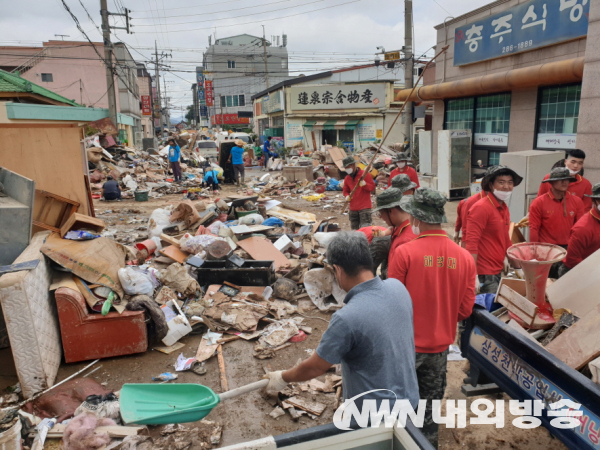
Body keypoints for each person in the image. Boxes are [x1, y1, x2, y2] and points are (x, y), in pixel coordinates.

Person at [263, 232, 419, 415]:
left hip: (374, 415)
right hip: (410, 400)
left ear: (337, 270)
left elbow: (314, 367)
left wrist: (282, 377)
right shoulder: (397, 287)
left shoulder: (347, 318)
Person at [388, 188, 476, 448]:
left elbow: (393, 304)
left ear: (416, 218)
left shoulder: (405, 253)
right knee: (429, 410)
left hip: (405, 349)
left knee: (396, 408)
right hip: (440, 350)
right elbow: (465, 310)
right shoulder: (464, 258)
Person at [464, 165, 523, 294]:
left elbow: (506, 239)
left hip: (497, 268)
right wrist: (472, 275)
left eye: (510, 182)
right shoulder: (481, 208)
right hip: (484, 272)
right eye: (501, 182)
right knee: (489, 310)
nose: (506, 186)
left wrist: (517, 267)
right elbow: (471, 243)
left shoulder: (504, 208)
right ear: (491, 185)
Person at [529, 167, 585, 246]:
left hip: (569, 246)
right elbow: (534, 228)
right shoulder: (538, 202)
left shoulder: (577, 201)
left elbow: (579, 228)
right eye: (561, 180)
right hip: (546, 246)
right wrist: (534, 248)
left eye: (567, 179)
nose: (564, 182)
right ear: (551, 182)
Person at [560, 183, 600, 277]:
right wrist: (594, 273)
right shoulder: (583, 228)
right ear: (594, 200)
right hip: (576, 272)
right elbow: (572, 260)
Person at [374, 188, 416, 259]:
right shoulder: (407, 227)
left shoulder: (405, 240)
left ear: (391, 211)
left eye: (381, 213)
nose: (380, 217)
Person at [342, 156, 376, 230]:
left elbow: (372, 188)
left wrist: (365, 185)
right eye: (346, 168)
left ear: (353, 165)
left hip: (365, 207)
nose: (347, 169)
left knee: (366, 229)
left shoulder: (364, 174)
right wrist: (347, 196)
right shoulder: (347, 178)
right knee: (354, 230)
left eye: (348, 167)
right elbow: (345, 190)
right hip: (353, 208)